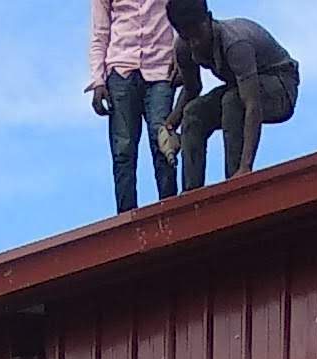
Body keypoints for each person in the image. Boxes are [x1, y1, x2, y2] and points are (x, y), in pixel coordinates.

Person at [160, 0, 297, 187]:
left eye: (198, 34)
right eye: (188, 37)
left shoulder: (235, 43)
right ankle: (191, 193)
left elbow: (252, 105)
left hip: (280, 87)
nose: (195, 43)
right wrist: (170, 124)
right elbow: (192, 89)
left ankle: (235, 181)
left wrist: (246, 167)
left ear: (208, 19)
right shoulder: (184, 48)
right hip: (240, 89)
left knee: (232, 102)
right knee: (193, 113)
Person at [87, 0, 179, 212]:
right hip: (121, 71)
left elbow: (182, 14)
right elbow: (100, 33)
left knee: (164, 145)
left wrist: (182, 59)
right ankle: (127, 217)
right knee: (123, 152)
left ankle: (171, 212)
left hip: (161, 70)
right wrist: (98, 81)